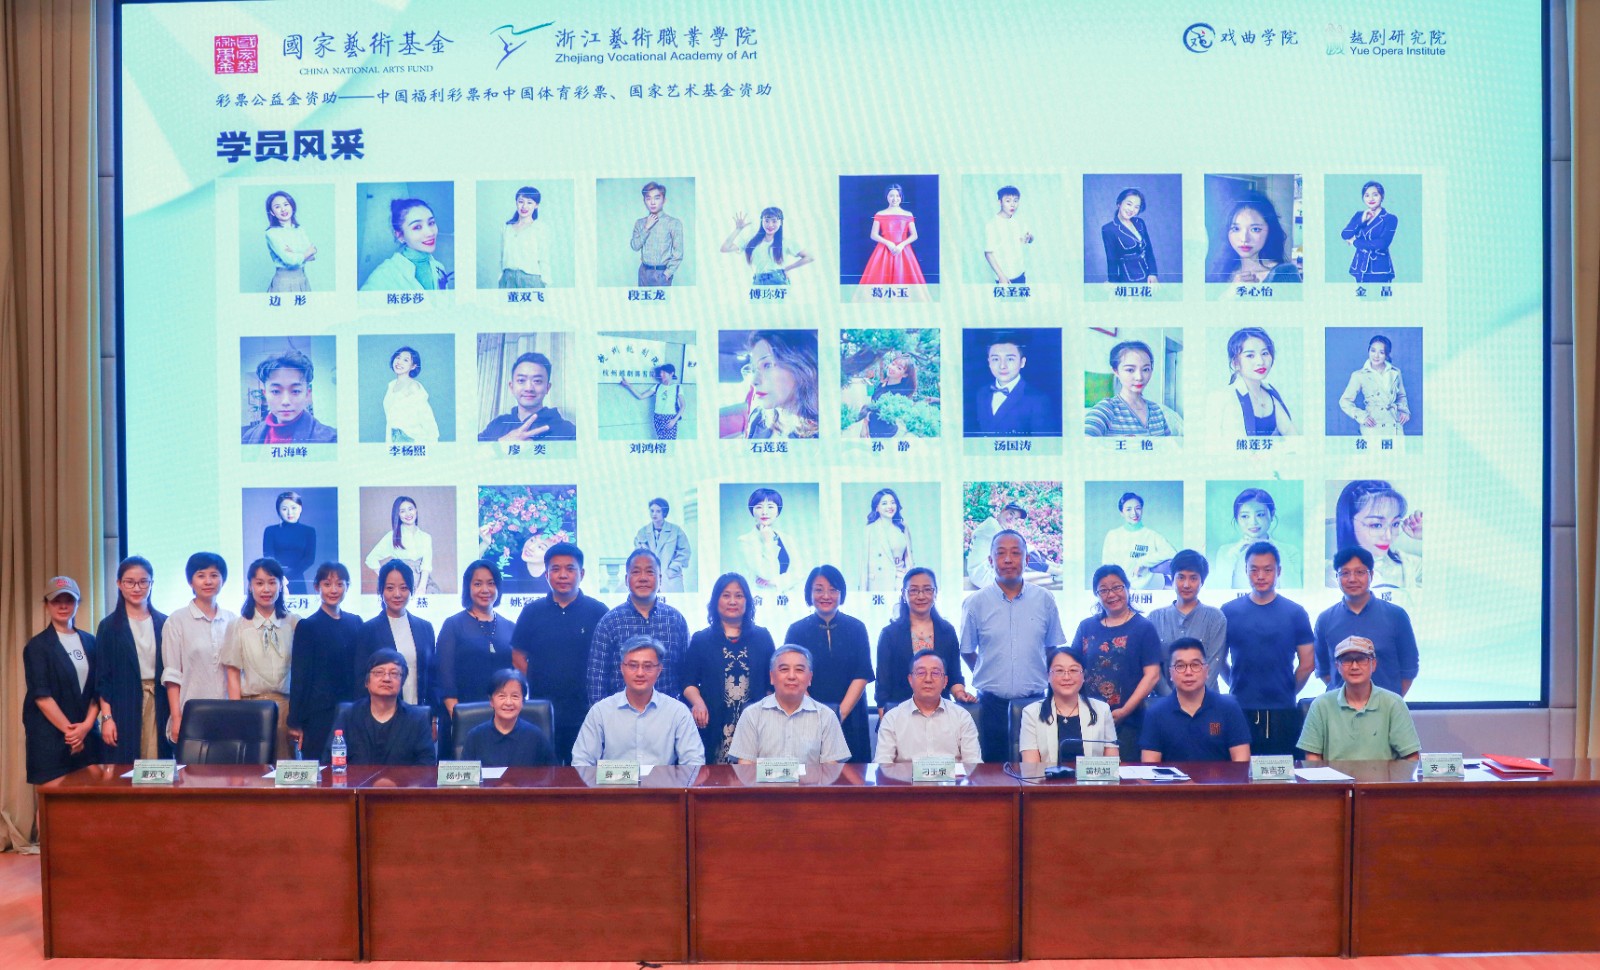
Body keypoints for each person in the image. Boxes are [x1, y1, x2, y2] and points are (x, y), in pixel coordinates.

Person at [960, 530, 1067, 762]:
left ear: (1027, 559)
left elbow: (1052, 648)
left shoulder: (1045, 599)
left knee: (1038, 770)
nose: (1008, 559)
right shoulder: (974, 603)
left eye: (1016, 553)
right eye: (1001, 553)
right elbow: (967, 650)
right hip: (990, 706)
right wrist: (988, 671)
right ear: (990, 560)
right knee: (993, 773)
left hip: (1036, 703)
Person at [511, 542, 606, 762]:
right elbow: (517, 655)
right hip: (542, 711)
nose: (563, 575)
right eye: (555, 569)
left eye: (570, 569)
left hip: (586, 711)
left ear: (582, 574)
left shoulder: (598, 611)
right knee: (544, 774)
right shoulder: (531, 612)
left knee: (582, 773)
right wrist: (536, 679)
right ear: (546, 575)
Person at [1221, 542, 1314, 756]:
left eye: (1268, 570)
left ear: (1278, 571)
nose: (1260, 576)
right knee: (1240, 771)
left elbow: (1308, 664)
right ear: (1245, 571)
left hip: (1284, 710)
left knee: (1282, 772)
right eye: (1254, 570)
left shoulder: (1296, 613)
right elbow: (1219, 660)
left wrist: (1288, 690)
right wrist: (1235, 683)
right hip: (1240, 708)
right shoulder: (1229, 611)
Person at [784, 565, 874, 763]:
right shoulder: (796, 630)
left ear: (841, 593)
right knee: (809, 773)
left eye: (833, 590)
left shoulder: (857, 628)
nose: (826, 595)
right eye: (819, 589)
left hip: (851, 716)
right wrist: (818, 716)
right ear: (809, 593)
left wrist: (838, 715)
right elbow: (793, 677)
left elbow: (862, 674)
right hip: (808, 716)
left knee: (854, 776)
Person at [682, 573, 776, 762]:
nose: (732, 601)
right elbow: (687, 682)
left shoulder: (762, 637)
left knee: (752, 775)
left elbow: (772, 683)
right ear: (715, 601)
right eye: (726, 595)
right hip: (713, 722)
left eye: (739, 595)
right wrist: (698, 703)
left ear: (747, 601)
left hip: (755, 723)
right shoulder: (701, 640)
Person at [571, 635, 705, 767]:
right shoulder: (600, 711)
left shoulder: (677, 712)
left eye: (648, 666)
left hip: (662, 782)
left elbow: (694, 762)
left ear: (659, 670)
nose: (640, 673)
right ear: (622, 668)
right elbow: (582, 762)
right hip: (613, 781)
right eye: (633, 665)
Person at [1073, 565, 1163, 759]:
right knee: (1084, 773)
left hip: (1128, 721)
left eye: (1117, 587)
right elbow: (1073, 667)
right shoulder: (1086, 627)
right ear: (1097, 594)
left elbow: (1152, 675)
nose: (1111, 594)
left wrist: (1125, 711)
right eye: (1103, 590)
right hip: (1087, 718)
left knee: (1123, 774)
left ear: (1127, 587)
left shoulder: (1143, 627)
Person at [584, 549, 689, 703]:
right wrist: (603, 715)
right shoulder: (610, 622)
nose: (643, 578)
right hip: (620, 713)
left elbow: (686, 675)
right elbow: (596, 680)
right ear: (626, 580)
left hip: (668, 713)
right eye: (636, 572)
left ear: (660, 579)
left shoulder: (675, 620)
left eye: (649, 572)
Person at [24, 577, 100, 785]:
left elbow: (98, 691)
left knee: (94, 797)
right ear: (47, 604)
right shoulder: (37, 646)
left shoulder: (91, 642)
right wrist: (72, 734)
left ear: (77, 603)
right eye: (57, 601)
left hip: (87, 736)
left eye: (69, 600)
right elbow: (42, 697)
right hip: (51, 740)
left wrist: (85, 727)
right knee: (54, 802)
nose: (63, 606)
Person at [221, 557, 299, 760]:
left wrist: (299, 717)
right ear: (250, 586)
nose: (266, 589)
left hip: (287, 708)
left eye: (272, 582)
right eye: (259, 583)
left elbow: (302, 674)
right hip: (251, 708)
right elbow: (232, 675)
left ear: (281, 585)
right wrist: (237, 715)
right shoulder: (237, 625)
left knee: (285, 768)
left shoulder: (294, 623)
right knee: (252, 768)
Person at [1315, 547, 1419, 695]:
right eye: (1345, 573)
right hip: (1339, 707)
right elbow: (1324, 671)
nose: (1352, 579)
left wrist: (1389, 702)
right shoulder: (1325, 619)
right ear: (1337, 577)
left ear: (1371, 575)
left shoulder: (1396, 616)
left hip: (1384, 706)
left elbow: (1409, 669)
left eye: (1360, 572)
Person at [94, 556, 169, 761]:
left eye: (143, 582)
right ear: (119, 584)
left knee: (158, 762)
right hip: (124, 705)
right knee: (126, 767)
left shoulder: (165, 623)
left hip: (160, 703)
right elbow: (103, 678)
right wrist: (107, 718)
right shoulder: (109, 626)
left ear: (151, 583)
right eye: (130, 582)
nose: (137, 588)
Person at [1298, 636, 1421, 762]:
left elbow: (1411, 757)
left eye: (1362, 659)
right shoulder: (1321, 705)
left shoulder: (1393, 703)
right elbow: (1312, 756)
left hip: (1382, 775)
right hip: (1333, 775)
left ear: (1373, 664)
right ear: (1338, 666)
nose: (1354, 666)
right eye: (1347, 660)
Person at [437, 560, 517, 750]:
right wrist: (459, 719)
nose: (485, 590)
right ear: (468, 587)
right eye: (478, 584)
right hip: (462, 718)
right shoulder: (453, 625)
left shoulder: (510, 627)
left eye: (491, 583)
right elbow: (445, 679)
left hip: (503, 721)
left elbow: (516, 677)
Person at [288, 562, 362, 761]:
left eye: (340, 584)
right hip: (319, 715)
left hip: (353, 712)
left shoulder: (355, 622)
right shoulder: (307, 626)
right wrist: (295, 721)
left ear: (347, 587)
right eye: (327, 584)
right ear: (317, 587)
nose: (333, 590)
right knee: (320, 769)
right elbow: (300, 676)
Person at [727, 645, 851, 763]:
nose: (791, 676)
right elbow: (746, 768)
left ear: (810, 678)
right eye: (784, 669)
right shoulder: (752, 715)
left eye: (799, 670)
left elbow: (831, 771)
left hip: (812, 780)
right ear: (772, 677)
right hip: (761, 780)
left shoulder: (826, 716)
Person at [161, 552, 237, 744]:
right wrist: (176, 718)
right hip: (191, 714)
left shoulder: (232, 620)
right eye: (201, 575)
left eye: (214, 575)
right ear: (190, 582)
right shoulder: (176, 620)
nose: (208, 581)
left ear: (223, 580)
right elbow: (172, 675)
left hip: (227, 715)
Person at [875, 568, 972, 714]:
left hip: (940, 713)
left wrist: (960, 694)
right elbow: (882, 686)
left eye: (927, 590)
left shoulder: (947, 631)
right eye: (914, 590)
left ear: (935, 593)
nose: (921, 596)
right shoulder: (889, 634)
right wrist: (885, 719)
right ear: (904, 594)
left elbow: (954, 675)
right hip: (900, 714)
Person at [1139, 638, 1251, 762]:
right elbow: (1150, 765)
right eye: (1180, 666)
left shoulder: (1229, 708)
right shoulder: (1155, 713)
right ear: (1170, 673)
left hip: (1220, 776)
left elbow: (1241, 761)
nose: (1188, 672)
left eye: (1195, 665)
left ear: (1206, 671)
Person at [358, 561, 438, 726]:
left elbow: (432, 677)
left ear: (411, 590)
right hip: (380, 718)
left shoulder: (425, 628)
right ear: (381, 590)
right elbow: (360, 680)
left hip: (419, 715)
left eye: (403, 588)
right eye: (390, 588)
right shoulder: (368, 630)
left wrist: (433, 717)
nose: (397, 594)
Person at [326, 649, 436, 765]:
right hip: (355, 778)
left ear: (402, 682)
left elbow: (427, 765)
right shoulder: (348, 716)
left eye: (394, 673)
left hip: (404, 778)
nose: (386, 679)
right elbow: (329, 762)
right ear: (367, 682)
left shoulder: (417, 719)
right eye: (379, 672)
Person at [874, 650, 982, 763]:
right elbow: (882, 764)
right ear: (910, 680)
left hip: (953, 775)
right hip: (906, 775)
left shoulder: (962, 717)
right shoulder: (892, 718)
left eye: (935, 673)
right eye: (921, 673)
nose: (928, 679)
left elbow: (973, 763)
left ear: (945, 681)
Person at [1017, 645, 1117, 764]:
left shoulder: (1102, 710)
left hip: (1092, 776)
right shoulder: (1031, 713)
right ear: (1048, 676)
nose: (1066, 677)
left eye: (1073, 670)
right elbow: (1031, 768)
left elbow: (1112, 762)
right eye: (1059, 671)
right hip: (1047, 776)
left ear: (1083, 676)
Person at [1147, 549, 1229, 693]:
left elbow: (1214, 664)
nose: (1186, 584)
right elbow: (1153, 668)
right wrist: (1172, 700)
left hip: (1207, 702)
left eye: (1193, 578)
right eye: (1181, 577)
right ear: (1172, 578)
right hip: (1165, 702)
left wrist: (1195, 700)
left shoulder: (1216, 618)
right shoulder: (1155, 618)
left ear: (1202, 582)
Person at [1332, 480, 1422, 591]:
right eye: (1376, 525)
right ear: (1349, 524)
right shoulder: (1331, 576)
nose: (1388, 537)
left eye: (1395, 524)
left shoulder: (1411, 565)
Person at [1212, 327, 1297, 438]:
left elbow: (1291, 434)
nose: (1260, 361)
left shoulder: (1270, 393)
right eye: (1250, 355)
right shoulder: (1222, 397)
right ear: (1235, 363)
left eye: (1264, 353)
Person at [1084, 340, 1182, 437]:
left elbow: (1168, 444)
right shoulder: (1106, 409)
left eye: (1145, 369)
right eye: (1130, 370)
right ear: (1116, 371)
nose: (1139, 377)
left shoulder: (1157, 410)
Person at [461, 669, 558, 766]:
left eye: (515, 696)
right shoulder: (475, 737)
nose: (508, 702)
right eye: (502, 696)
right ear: (491, 701)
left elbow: (553, 773)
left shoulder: (536, 737)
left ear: (522, 702)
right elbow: (464, 774)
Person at [477, 351, 577, 443]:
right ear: (511, 387)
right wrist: (499, 445)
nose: (529, 388)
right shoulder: (497, 424)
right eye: (521, 380)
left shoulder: (568, 431)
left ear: (547, 388)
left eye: (537, 381)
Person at [241, 349, 337, 444]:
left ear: (307, 394)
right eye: (275, 391)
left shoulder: (331, 440)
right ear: (265, 393)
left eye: (295, 391)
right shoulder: (248, 438)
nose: (285, 401)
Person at [970, 335, 1058, 437]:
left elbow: (1044, 444)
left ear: (1022, 362)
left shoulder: (1038, 400)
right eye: (995, 359)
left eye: (1010, 359)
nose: (1002, 366)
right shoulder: (982, 393)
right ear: (989, 362)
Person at [1213, 487, 1300, 590]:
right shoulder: (1226, 552)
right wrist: (1235, 552)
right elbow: (1220, 590)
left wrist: (1276, 551)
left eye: (1260, 515)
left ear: (1272, 515)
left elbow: (1294, 591)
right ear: (1237, 519)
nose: (1253, 522)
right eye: (1245, 516)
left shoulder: (1290, 551)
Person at [1206, 192, 1301, 284]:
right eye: (1236, 229)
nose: (1244, 239)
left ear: (1270, 230)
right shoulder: (1220, 272)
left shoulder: (1284, 274)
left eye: (1255, 229)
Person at [741, 330, 820, 439]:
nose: (754, 381)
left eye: (767, 365)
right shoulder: (757, 418)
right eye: (753, 370)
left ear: (801, 367)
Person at [965, 500, 1060, 589]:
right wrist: (1032, 550)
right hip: (983, 577)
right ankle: (1058, 572)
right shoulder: (992, 527)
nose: (1012, 519)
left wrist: (1036, 553)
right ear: (1003, 510)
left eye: (1016, 518)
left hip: (979, 572)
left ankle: (1054, 567)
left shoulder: (994, 525)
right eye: (1011, 513)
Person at [360, 197, 450, 291]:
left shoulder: (439, 267)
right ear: (400, 236)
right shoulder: (384, 276)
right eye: (417, 227)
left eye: (431, 223)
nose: (430, 233)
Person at [1337, 334, 1411, 443]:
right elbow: (1345, 401)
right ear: (1368, 350)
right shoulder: (1359, 375)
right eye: (1373, 350)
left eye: (1381, 352)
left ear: (1386, 354)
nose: (1376, 356)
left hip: (1394, 425)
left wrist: (1404, 411)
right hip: (1373, 426)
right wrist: (1362, 417)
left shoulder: (1395, 372)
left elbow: (1401, 396)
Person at [1099, 492, 1178, 590]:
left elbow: (1173, 553)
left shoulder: (1151, 535)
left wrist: (1143, 561)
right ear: (1121, 513)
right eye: (1128, 509)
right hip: (1123, 588)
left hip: (1150, 587)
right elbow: (1106, 567)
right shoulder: (1113, 535)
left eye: (1138, 508)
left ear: (1142, 509)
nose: (1134, 513)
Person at [735, 487, 807, 592]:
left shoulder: (787, 538)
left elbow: (800, 572)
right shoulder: (745, 540)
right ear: (752, 511)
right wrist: (768, 542)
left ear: (778, 511)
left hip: (786, 598)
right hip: (760, 597)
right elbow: (766, 573)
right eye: (759, 507)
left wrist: (775, 582)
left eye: (770, 507)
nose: (764, 512)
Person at [720, 207, 813, 286]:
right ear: (762, 221)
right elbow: (725, 248)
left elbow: (809, 257)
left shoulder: (786, 242)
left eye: (774, 221)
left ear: (780, 222)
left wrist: (787, 269)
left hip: (780, 283)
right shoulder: (751, 241)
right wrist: (738, 229)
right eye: (767, 221)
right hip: (759, 283)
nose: (770, 225)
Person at [858, 183, 926, 287]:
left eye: (897, 196)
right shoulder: (880, 214)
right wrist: (888, 243)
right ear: (887, 197)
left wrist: (901, 245)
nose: (895, 199)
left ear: (901, 197)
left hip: (903, 250)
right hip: (883, 250)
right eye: (891, 196)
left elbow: (914, 235)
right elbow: (873, 234)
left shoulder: (908, 214)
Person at [364, 495, 434, 595]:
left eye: (410, 509)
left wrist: (422, 588)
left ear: (416, 510)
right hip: (400, 584)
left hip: (422, 584)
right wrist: (386, 578)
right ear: (398, 515)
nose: (408, 514)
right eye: (402, 511)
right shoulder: (392, 536)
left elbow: (426, 565)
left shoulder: (426, 537)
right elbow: (371, 559)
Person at [1340, 180, 1398, 284]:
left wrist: (1354, 242)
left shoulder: (1390, 219)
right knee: (1360, 293)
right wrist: (1361, 221)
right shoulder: (1359, 215)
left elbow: (1382, 244)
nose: (1371, 199)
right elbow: (1345, 234)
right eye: (1367, 195)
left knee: (1380, 294)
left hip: (1379, 269)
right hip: (1359, 267)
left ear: (1382, 196)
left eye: (1375, 195)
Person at [382, 345, 441, 444]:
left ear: (413, 366)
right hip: (394, 439)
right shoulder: (391, 385)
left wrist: (432, 443)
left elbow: (427, 417)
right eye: (398, 357)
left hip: (412, 440)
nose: (399, 362)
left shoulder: (414, 387)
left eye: (405, 360)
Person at [1100, 187, 1159, 284]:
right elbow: (1111, 259)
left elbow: (1149, 250)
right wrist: (1112, 281)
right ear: (1119, 203)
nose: (1132, 209)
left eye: (1136, 207)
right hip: (1128, 279)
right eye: (1129, 204)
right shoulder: (1108, 229)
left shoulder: (1140, 223)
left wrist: (1153, 273)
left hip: (1148, 277)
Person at [630, 181, 683, 287]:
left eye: (657, 198)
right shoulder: (640, 223)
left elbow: (678, 252)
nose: (652, 202)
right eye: (648, 198)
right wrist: (646, 228)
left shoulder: (673, 223)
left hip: (661, 274)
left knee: (662, 298)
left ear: (664, 200)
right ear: (644, 201)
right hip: (643, 272)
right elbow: (635, 246)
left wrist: (667, 273)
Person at [262, 491, 316, 594]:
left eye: (293, 508)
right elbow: (268, 557)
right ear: (278, 511)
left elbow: (309, 559)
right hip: (275, 578)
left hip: (298, 579)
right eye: (284, 509)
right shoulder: (270, 531)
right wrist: (279, 575)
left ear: (300, 508)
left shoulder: (309, 531)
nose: (289, 513)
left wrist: (290, 575)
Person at [634, 498, 692, 593]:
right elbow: (637, 554)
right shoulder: (642, 532)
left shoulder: (676, 530)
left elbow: (685, 552)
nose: (654, 514)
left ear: (664, 512)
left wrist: (672, 569)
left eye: (658, 511)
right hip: (650, 580)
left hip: (671, 579)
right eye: (652, 511)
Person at [263, 190, 317, 292]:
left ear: (292, 206)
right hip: (284, 282)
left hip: (303, 280)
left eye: (286, 204)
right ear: (272, 212)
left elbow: (312, 256)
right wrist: (305, 253)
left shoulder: (299, 229)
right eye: (277, 207)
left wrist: (295, 254)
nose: (283, 209)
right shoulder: (272, 233)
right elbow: (291, 261)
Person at [862, 487, 914, 592]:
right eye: (884, 503)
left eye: (893, 502)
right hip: (878, 582)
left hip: (900, 579)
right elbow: (864, 564)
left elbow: (909, 558)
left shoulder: (902, 526)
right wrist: (863, 592)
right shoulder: (870, 529)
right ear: (877, 508)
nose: (890, 506)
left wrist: (912, 580)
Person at [499, 185, 548, 288]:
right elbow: (502, 255)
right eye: (521, 201)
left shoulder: (539, 228)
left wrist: (545, 282)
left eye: (529, 202)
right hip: (507, 279)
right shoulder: (507, 228)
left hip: (531, 279)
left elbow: (544, 257)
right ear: (516, 202)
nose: (524, 206)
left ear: (536, 205)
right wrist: (500, 278)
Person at [620, 364, 685, 441]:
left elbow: (683, 406)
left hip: (670, 418)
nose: (661, 375)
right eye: (661, 373)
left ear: (671, 374)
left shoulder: (677, 387)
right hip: (658, 417)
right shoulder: (657, 386)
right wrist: (629, 385)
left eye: (664, 373)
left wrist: (674, 420)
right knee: (661, 441)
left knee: (670, 443)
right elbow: (641, 396)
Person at [984, 185, 1033, 285]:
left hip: (1020, 274)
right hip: (1004, 278)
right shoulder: (992, 225)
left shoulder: (1018, 221)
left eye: (1015, 201)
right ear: (1000, 202)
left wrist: (1030, 238)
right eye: (1008, 201)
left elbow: (1028, 238)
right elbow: (988, 253)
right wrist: (1001, 276)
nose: (1012, 204)